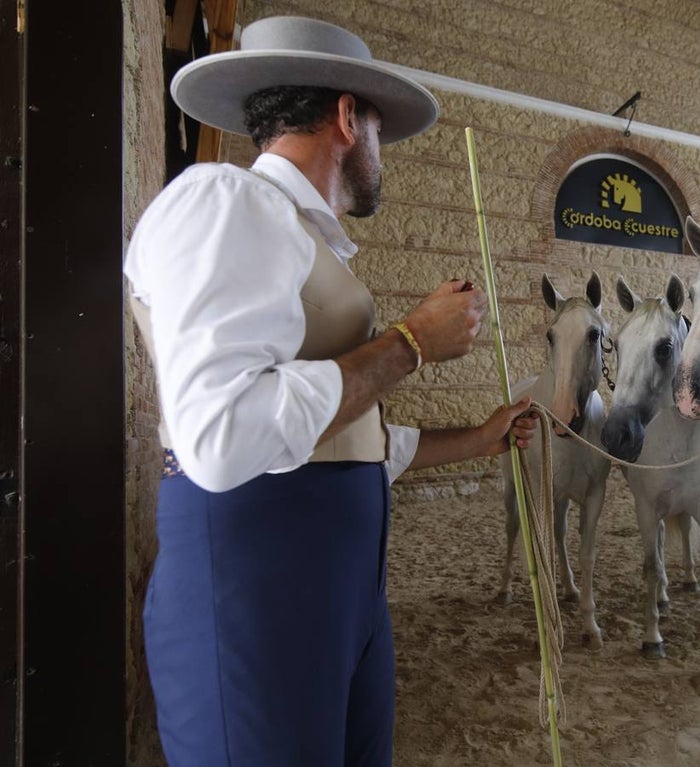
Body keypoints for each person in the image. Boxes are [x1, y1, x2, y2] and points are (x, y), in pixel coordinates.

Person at [124, 16, 538, 766]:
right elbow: (224, 437)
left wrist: (480, 438)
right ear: (348, 117)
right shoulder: (226, 202)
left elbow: (340, 439)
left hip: (339, 597)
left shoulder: (298, 237)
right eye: (380, 128)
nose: (386, 156)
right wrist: (411, 343)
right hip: (258, 592)